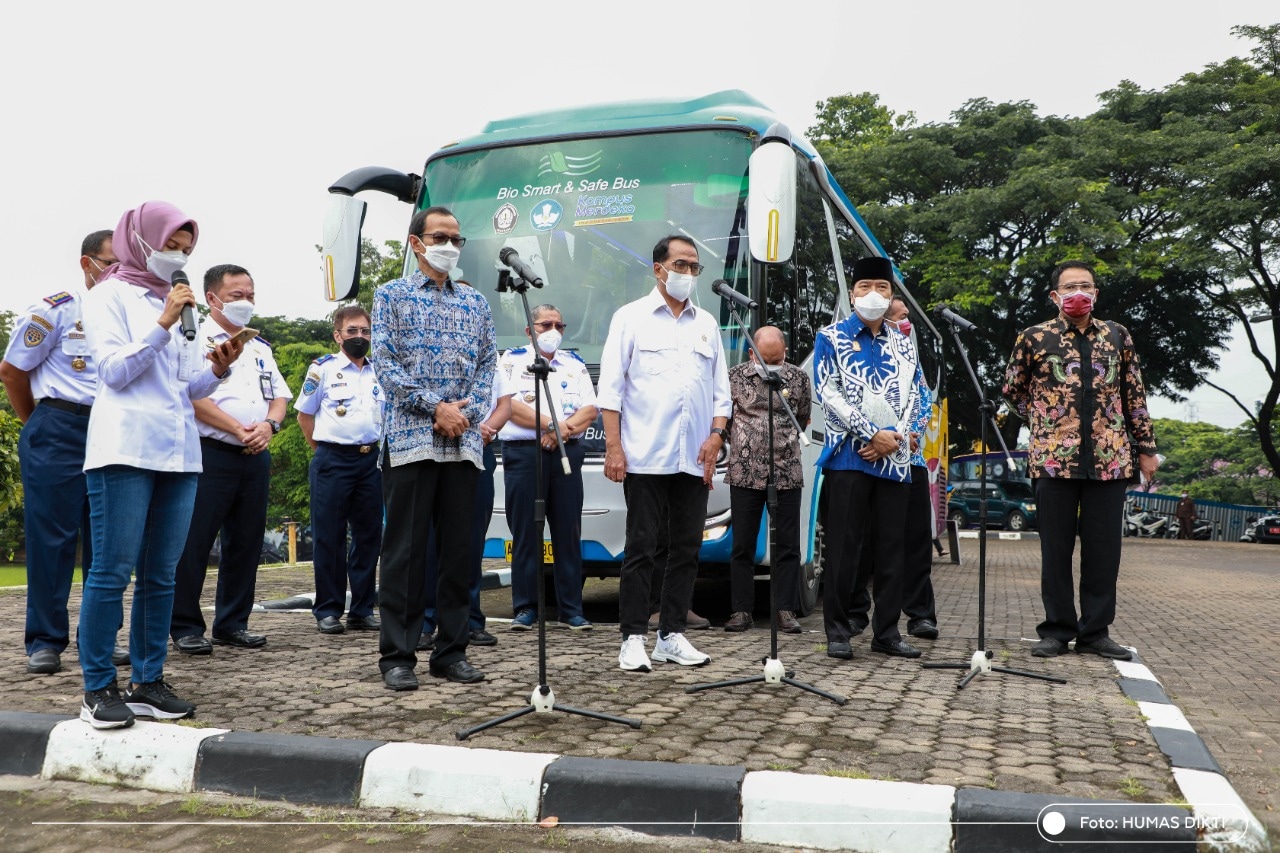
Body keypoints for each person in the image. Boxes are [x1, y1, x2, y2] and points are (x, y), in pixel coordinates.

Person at [78, 200, 244, 729]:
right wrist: (161, 323)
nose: (179, 255)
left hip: (179, 452)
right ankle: (98, 686)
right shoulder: (109, 297)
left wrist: (218, 370)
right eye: (171, 244)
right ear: (141, 241)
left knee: (161, 573)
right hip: (125, 447)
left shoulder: (181, 305)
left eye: (187, 248)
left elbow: (185, 386)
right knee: (111, 570)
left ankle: (147, 680)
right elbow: (112, 371)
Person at [1003, 260, 1158, 662]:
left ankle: (1095, 633)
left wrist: (1146, 448)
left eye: (1085, 286)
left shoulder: (1118, 335)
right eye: (1070, 287)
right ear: (1054, 295)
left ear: (1096, 293)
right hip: (1054, 461)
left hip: (1110, 460)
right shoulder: (1033, 337)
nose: (1078, 293)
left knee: (1104, 551)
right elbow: (1013, 390)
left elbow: (1134, 395)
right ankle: (1056, 630)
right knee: (1055, 550)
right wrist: (1044, 420)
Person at [371, 206, 496, 689]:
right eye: (440, 236)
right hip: (411, 442)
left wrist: (466, 413)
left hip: (463, 444)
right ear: (416, 242)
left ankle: (452, 651)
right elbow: (384, 361)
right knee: (404, 552)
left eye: (457, 239)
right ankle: (398, 656)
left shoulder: (475, 302)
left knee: (460, 553)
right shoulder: (391, 296)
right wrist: (434, 407)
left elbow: (488, 363)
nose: (450, 245)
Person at [598, 235, 730, 673]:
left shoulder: (707, 324)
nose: (688, 273)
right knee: (641, 546)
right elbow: (611, 392)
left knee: (688, 547)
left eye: (694, 266)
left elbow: (721, 394)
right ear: (658, 269)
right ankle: (633, 637)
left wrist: (716, 436)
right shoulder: (630, 318)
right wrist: (614, 449)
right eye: (681, 264)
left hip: (693, 458)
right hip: (644, 455)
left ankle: (671, 635)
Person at [1, 230, 130, 674]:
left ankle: (100, 637)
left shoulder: (129, 313)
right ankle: (45, 641)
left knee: (109, 542)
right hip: (59, 426)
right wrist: (37, 421)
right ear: (86, 263)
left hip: (112, 429)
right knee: (52, 539)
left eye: (125, 263)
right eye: (110, 263)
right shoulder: (56, 309)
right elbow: (12, 370)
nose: (118, 271)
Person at [170, 265, 292, 655]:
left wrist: (270, 426)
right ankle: (186, 626)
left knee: (246, 542)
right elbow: (190, 394)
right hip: (210, 454)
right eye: (237, 295)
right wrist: (237, 429)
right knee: (194, 543)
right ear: (212, 299)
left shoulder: (258, 347)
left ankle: (232, 623)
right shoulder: (191, 337)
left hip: (254, 455)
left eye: (250, 295)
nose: (246, 302)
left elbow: (279, 396)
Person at [814, 256, 924, 661]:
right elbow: (828, 391)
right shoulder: (831, 336)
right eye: (865, 287)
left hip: (895, 459)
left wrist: (895, 439)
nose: (873, 294)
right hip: (848, 458)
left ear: (892, 292)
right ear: (852, 292)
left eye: (882, 286)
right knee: (845, 548)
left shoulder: (903, 339)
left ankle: (887, 633)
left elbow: (917, 393)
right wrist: (870, 433)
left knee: (892, 548)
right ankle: (838, 631)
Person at [418, 281, 514, 652]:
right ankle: (426, 621)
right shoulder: (425, 345)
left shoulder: (488, 353)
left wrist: (487, 427)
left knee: (469, 541)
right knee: (429, 542)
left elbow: (503, 402)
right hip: (431, 447)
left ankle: (470, 619)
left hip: (477, 450)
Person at [499, 303, 598, 632]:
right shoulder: (512, 360)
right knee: (526, 533)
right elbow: (509, 406)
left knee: (568, 532)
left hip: (566, 453)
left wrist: (559, 433)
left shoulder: (574, 363)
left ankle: (571, 609)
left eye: (559, 324)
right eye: (545, 325)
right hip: (525, 455)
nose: (552, 331)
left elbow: (590, 409)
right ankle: (525, 608)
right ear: (530, 330)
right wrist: (553, 425)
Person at [847, 297, 939, 641]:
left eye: (907, 318)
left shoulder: (908, 354)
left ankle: (920, 614)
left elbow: (921, 399)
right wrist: (875, 436)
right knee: (864, 541)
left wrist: (906, 436)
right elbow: (850, 399)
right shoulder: (856, 350)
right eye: (901, 317)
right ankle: (856, 613)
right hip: (866, 460)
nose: (907, 323)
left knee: (915, 540)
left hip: (909, 461)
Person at [296, 306, 383, 636]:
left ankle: (362, 609)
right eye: (352, 331)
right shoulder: (323, 370)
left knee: (368, 537)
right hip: (333, 460)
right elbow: (305, 417)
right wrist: (325, 453)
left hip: (369, 461)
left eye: (364, 331)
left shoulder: (379, 372)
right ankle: (329, 609)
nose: (359, 337)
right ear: (338, 335)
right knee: (329, 537)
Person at [722, 326, 811, 634]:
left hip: (787, 470)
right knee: (742, 544)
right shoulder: (734, 377)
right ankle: (741, 611)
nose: (772, 365)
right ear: (752, 354)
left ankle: (785, 610)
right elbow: (726, 418)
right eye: (765, 359)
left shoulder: (798, 378)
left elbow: (802, 417)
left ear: (784, 353)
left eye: (777, 359)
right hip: (744, 472)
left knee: (788, 545)